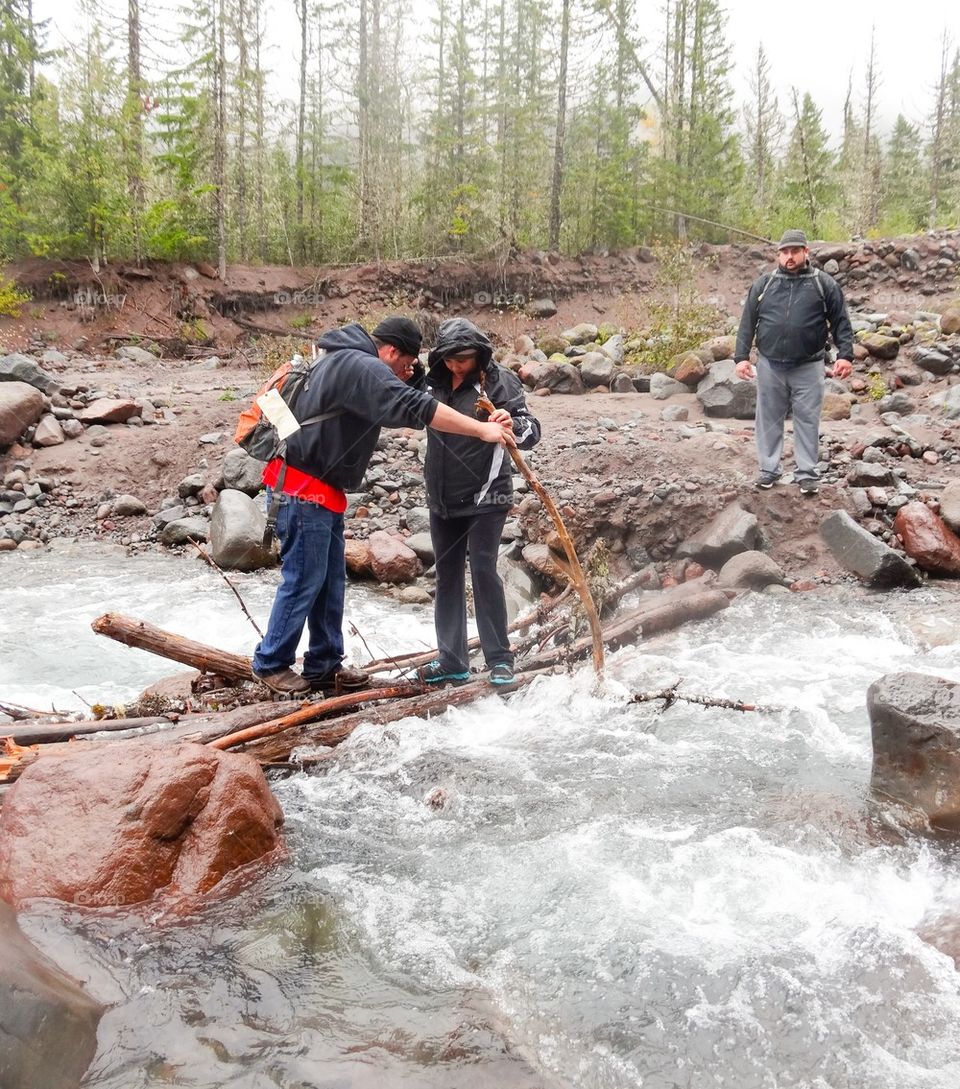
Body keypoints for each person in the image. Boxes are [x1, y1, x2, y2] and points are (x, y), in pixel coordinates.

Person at [251, 317, 514, 696]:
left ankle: (324, 665)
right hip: (301, 489)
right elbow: (414, 405)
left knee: (328, 581)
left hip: (318, 491)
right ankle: (271, 663)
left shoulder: (339, 360)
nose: (408, 374)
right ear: (390, 351)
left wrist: (411, 374)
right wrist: (482, 429)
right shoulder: (360, 364)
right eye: (406, 364)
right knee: (304, 578)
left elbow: (397, 404)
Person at [417, 318, 541, 688]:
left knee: (483, 570)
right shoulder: (433, 382)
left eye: (465, 359)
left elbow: (531, 428)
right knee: (447, 574)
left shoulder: (499, 380)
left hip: (488, 494)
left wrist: (512, 425)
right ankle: (452, 660)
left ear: (479, 355)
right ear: (441, 357)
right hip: (441, 495)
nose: (458, 366)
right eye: (452, 359)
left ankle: (500, 659)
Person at [734, 229, 854, 495]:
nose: (789, 257)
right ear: (778, 254)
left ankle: (807, 473)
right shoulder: (764, 284)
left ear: (805, 252)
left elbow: (841, 322)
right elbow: (747, 323)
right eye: (785, 252)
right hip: (769, 365)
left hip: (809, 365)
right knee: (768, 419)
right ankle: (768, 469)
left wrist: (845, 355)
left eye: (795, 251)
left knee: (808, 419)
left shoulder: (823, 284)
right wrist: (741, 357)